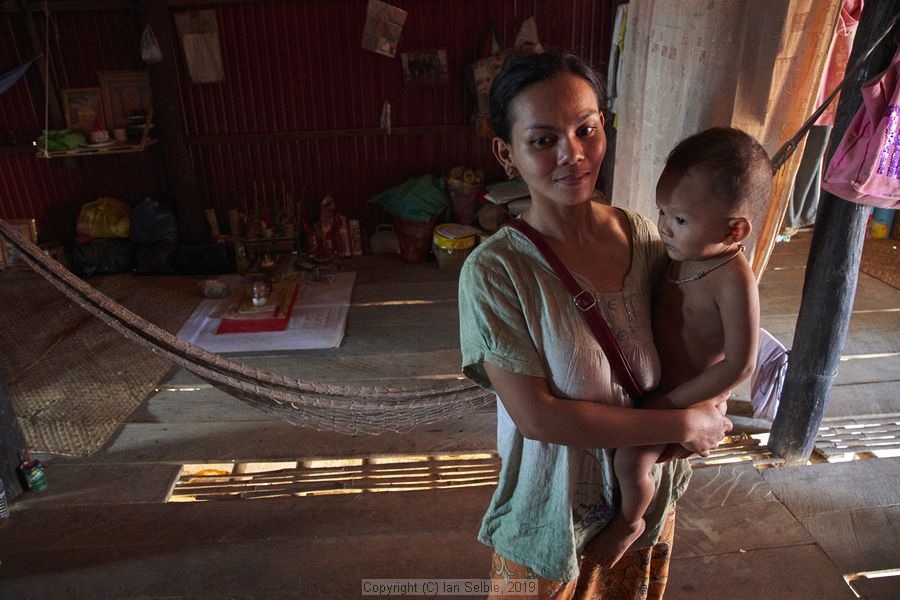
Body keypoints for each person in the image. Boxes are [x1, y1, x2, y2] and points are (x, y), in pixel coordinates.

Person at [458, 51, 733, 599]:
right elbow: (538, 418)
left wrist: (713, 397)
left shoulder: (642, 236)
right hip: (553, 518)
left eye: (586, 129)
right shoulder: (495, 272)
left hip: (644, 499)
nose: (573, 155)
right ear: (505, 152)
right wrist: (682, 426)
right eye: (543, 140)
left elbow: (693, 336)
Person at [590, 127, 773, 570]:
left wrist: (676, 404)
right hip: (658, 392)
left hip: (686, 398)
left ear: (735, 229)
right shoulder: (681, 254)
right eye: (663, 212)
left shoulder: (733, 280)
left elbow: (741, 362)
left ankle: (629, 523)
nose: (664, 227)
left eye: (680, 219)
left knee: (632, 457)